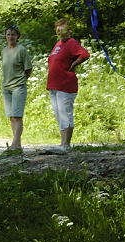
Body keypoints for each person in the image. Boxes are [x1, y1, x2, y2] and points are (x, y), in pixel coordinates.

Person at [46, 18, 89, 153]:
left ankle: (66, 144)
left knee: (65, 114)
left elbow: (85, 54)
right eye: (57, 28)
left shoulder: (71, 42)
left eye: (62, 27)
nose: (59, 30)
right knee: (59, 115)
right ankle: (62, 143)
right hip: (54, 85)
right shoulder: (58, 44)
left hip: (66, 84)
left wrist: (74, 64)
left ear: (69, 31)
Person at [1, 25, 32, 151]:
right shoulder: (4, 50)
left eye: (13, 34)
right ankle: (16, 144)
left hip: (18, 87)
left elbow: (28, 69)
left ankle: (15, 144)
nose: (10, 37)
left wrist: (22, 80)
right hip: (6, 87)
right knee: (11, 117)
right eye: (8, 34)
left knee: (17, 116)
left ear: (17, 36)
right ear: (5, 36)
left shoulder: (21, 50)